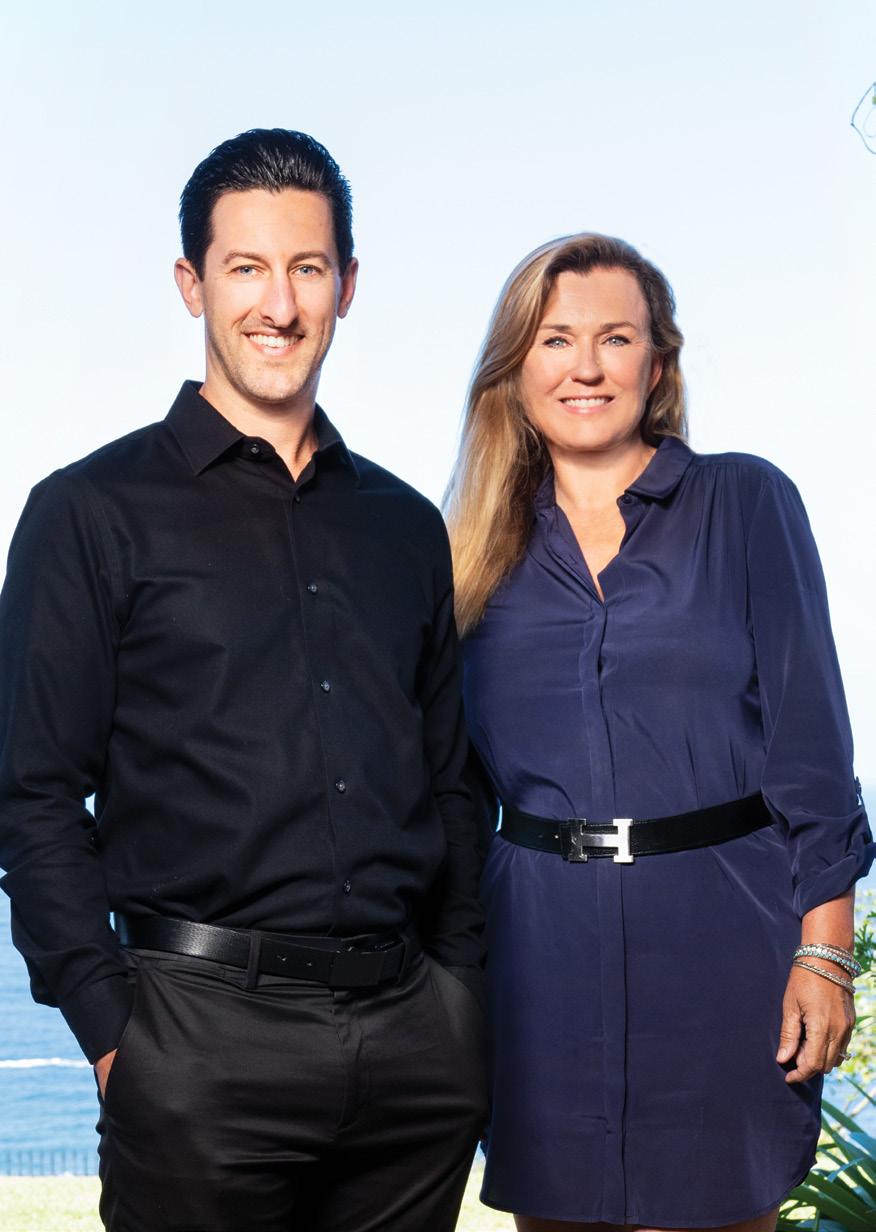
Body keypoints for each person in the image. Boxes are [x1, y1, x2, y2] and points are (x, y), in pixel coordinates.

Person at [0, 128, 486, 1232]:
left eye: (307, 267)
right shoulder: (88, 513)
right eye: (247, 267)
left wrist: (459, 1000)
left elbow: (451, 781)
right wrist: (117, 1037)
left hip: (412, 1047)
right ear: (193, 284)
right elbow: (32, 794)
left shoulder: (405, 526)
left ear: (347, 286)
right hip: (195, 1040)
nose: (279, 303)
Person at [444, 232, 873, 1232]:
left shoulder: (746, 502)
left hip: (722, 944)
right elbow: (449, 794)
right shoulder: (466, 555)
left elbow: (813, 754)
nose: (586, 366)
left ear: (657, 362)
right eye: (555, 339)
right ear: (515, 370)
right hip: (535, 959)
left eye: (615, 337)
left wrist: (825, 955)